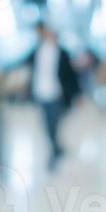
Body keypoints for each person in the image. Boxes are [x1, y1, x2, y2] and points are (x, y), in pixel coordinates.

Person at [21, 21, 82, 169]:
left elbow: (71, 76)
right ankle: (57, 149)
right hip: (41, 94)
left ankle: (54, 153)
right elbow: (23, 63)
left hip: (57, 94)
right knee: (47, 125)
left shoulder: (63, 53)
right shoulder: (38, 51)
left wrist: (78, 94)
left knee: (54, 123)